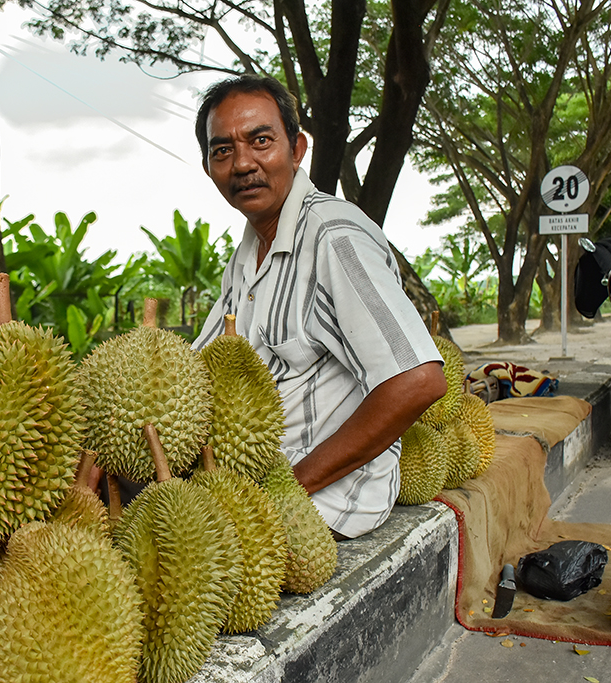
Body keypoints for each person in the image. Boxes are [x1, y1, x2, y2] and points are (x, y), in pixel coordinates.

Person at [192, 74, 448, 541]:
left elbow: (418, 380)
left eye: (261, 141)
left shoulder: (333, 234)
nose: (243, 163)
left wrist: (290, 488)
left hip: (321, 502)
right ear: (209, 167)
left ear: (297, 149)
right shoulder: (248, 253)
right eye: (222, 150)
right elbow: (200, 363)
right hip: (253, 493)